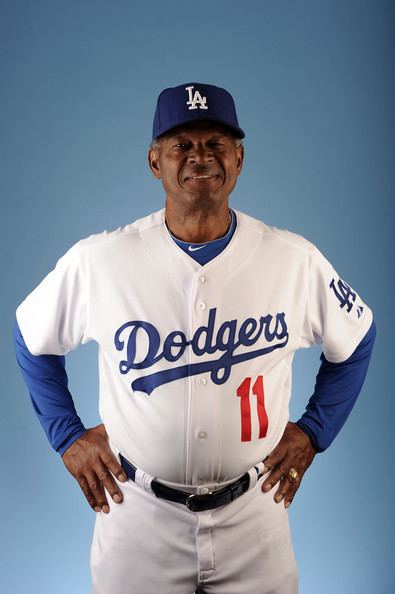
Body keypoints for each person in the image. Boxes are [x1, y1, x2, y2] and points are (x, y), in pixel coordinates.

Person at [14, 82, 375, 594]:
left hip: (255, 516)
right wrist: (66, 435)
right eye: (182, 144)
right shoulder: (101, 260)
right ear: (154, 161)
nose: (200, 157)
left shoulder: (294, 259)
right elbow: (32, 337)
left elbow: (358, 337)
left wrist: (315, 431)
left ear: (239, 159)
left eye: (215, 145)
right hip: (136, 515)